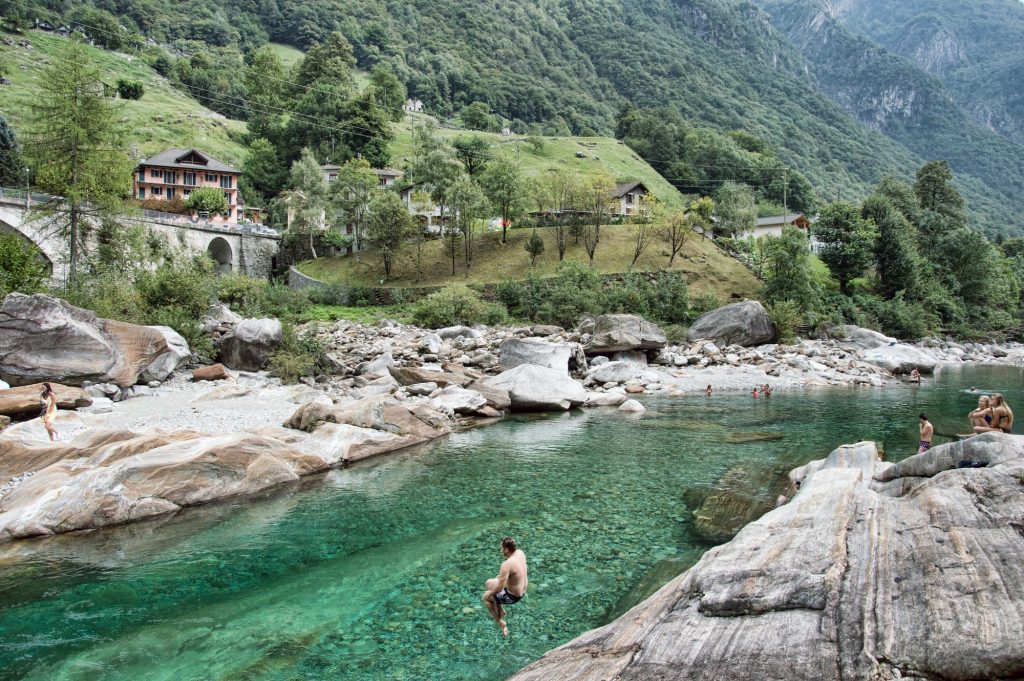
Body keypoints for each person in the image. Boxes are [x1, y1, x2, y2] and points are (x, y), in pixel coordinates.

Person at [482, 536, 528, 637]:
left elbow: (499, 588)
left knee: (486, 598)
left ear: (506, 549)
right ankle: (501, 611)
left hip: (513, 597)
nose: (500, 550)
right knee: (489, 583)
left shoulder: (506, 564)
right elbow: (517, 572)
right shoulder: (520, 553)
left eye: (501, 548)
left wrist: (488, 594)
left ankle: (500, 622)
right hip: (522, 589)